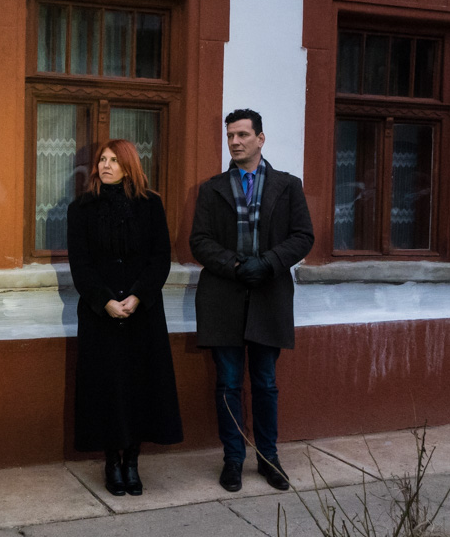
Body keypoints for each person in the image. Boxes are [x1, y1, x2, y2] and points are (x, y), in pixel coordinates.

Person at [189, 109, 314, 493]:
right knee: (228, 383)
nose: (235, 142)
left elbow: (303, 236)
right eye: (230, 136)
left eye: (243, 135)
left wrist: (268, 263)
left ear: (261, 139)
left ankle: (268, 458)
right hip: (223, 296)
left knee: (265, 383)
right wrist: (236, 265)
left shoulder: (288, 186)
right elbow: (200, 241)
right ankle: (233, 459)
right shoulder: (211, 189)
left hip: (268, 295)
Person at [67, 139, 184, 497]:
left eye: (114, 160)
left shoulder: (150, 204)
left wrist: (138, 296)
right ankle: (111, 461)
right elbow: (80, 263)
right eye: (102, 159)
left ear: (129, 166)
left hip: (141, 313)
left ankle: (131, 461)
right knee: (106, 388)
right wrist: (104, 300)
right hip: (99, 314)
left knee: (140, 386)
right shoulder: (81, 208)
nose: (105, 165)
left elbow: (160, 257)